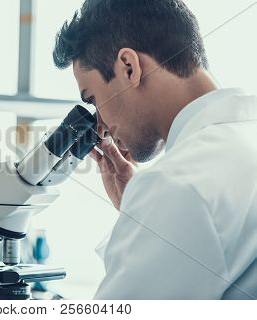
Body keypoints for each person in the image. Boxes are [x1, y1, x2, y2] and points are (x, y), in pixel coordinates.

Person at [53, 0, 257, 299]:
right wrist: (139, 217)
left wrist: (151, 205)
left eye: (93, 99)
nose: (101, 127)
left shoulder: (176, 185)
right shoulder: (243, 136)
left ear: (128, 67)